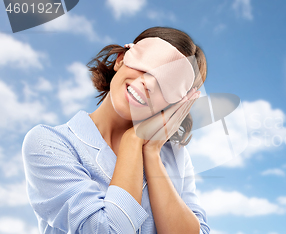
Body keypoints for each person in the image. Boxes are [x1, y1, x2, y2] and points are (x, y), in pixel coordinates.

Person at [21, 26, 210, 234]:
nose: (147, 83)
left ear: (177, 105)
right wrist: (133, 139)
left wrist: (152, 155)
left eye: (168, 84)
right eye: (146, 65)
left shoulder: (175, 157)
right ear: (121, 59)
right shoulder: (48, 143)